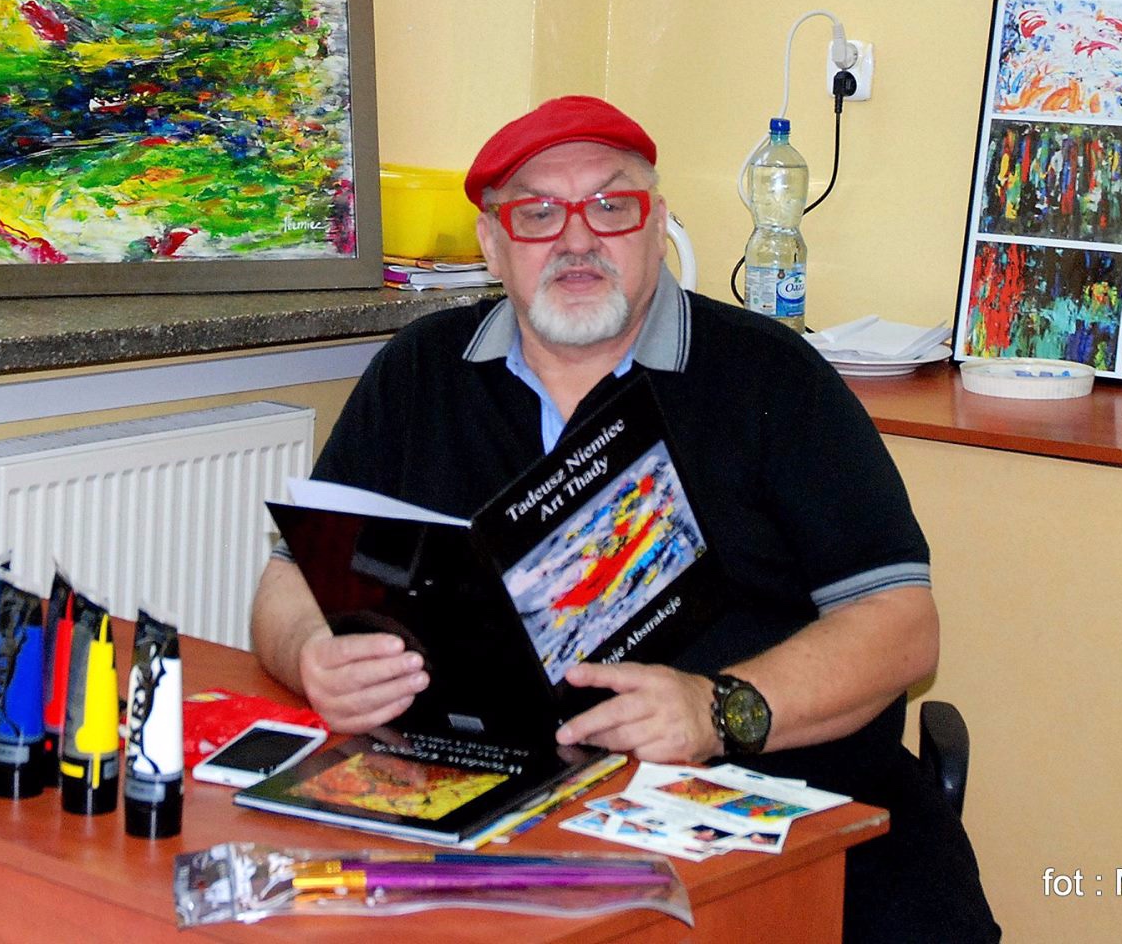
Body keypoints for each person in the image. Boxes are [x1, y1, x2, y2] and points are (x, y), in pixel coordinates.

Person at [251, 95, 1000, 942]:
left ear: (658, 224)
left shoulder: (773, 376)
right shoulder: (419, 373)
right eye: (538, 213)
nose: (577, 240)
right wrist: (312, 656)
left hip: (783, 805)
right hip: (502, 814)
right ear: (492, 244)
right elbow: (289, 581)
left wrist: (718, 709)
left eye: (611, 206)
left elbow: (902, 627)